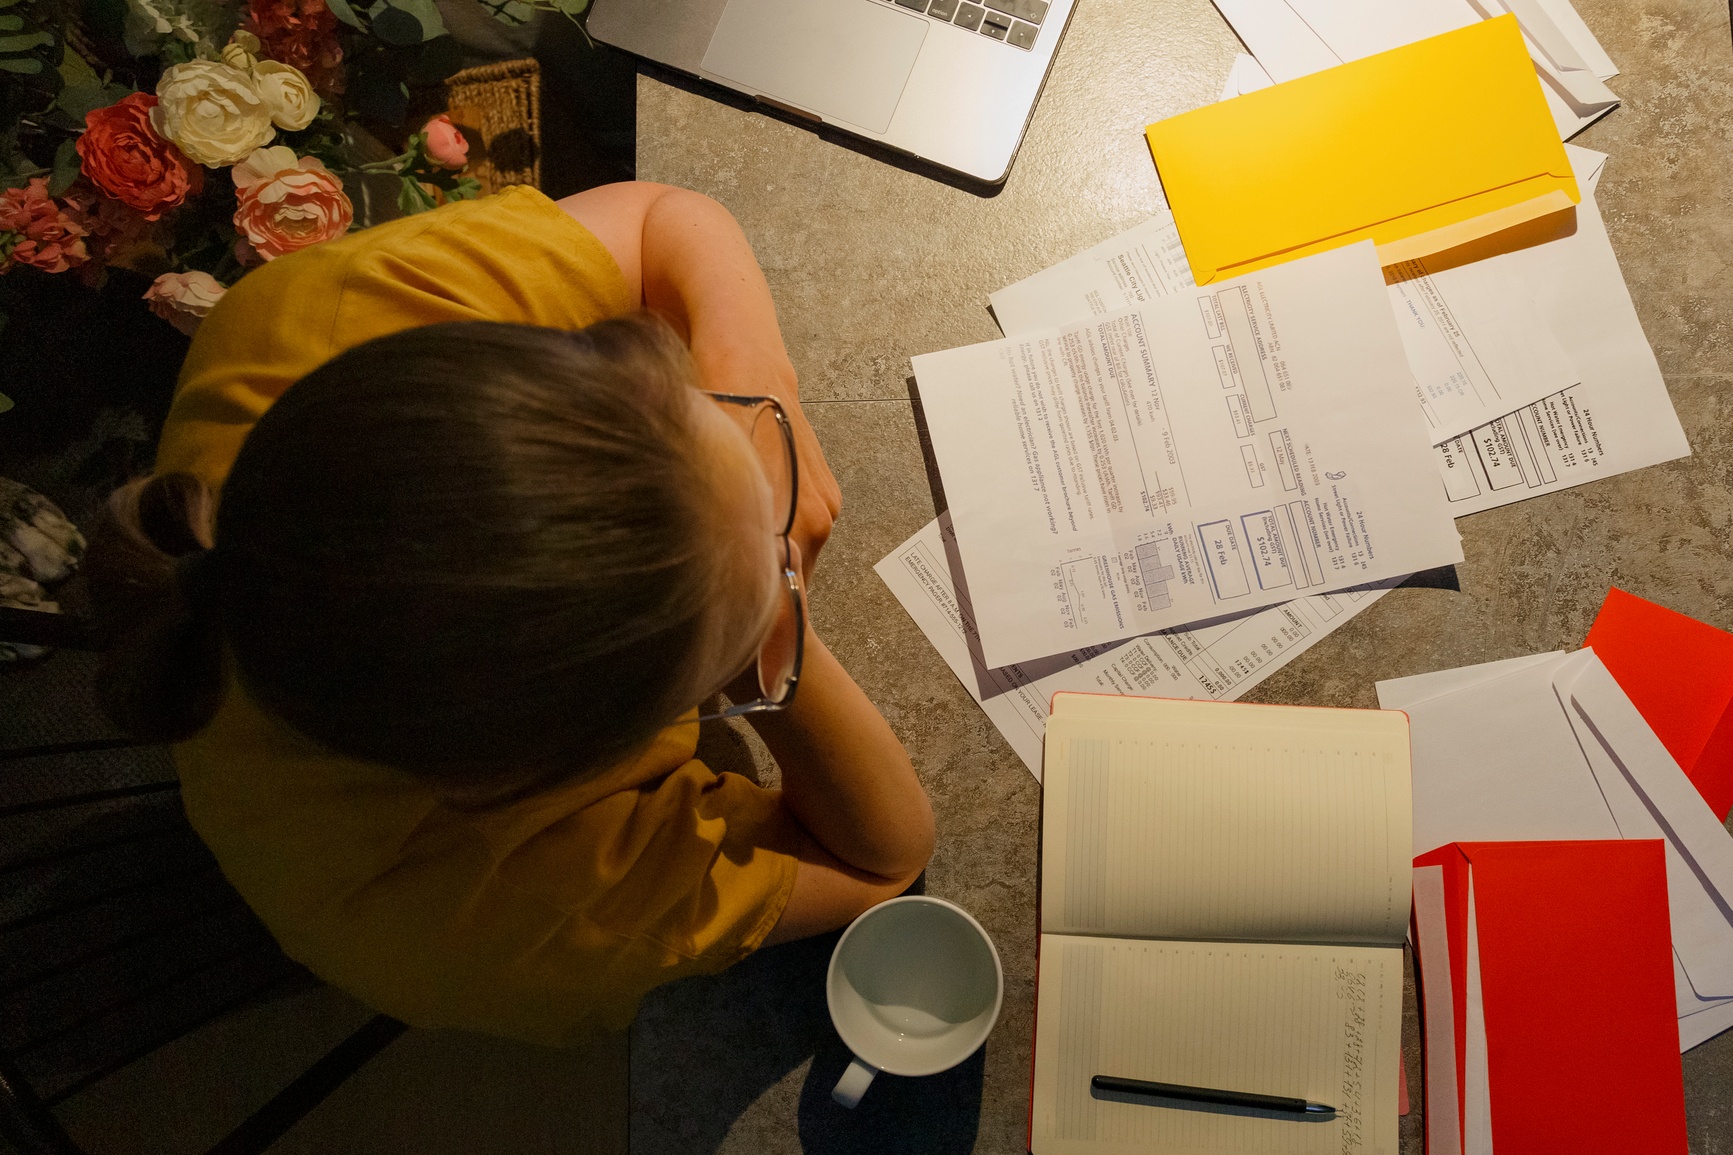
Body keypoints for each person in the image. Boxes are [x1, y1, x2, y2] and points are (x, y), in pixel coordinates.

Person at [85, 182, 935, 1045]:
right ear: (600, 753)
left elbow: (658, 218)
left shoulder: (311, 321)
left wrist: (758, 379)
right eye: (727, 649)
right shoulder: (508, 909)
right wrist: (776, 639)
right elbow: (881, 856)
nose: (786, 506)